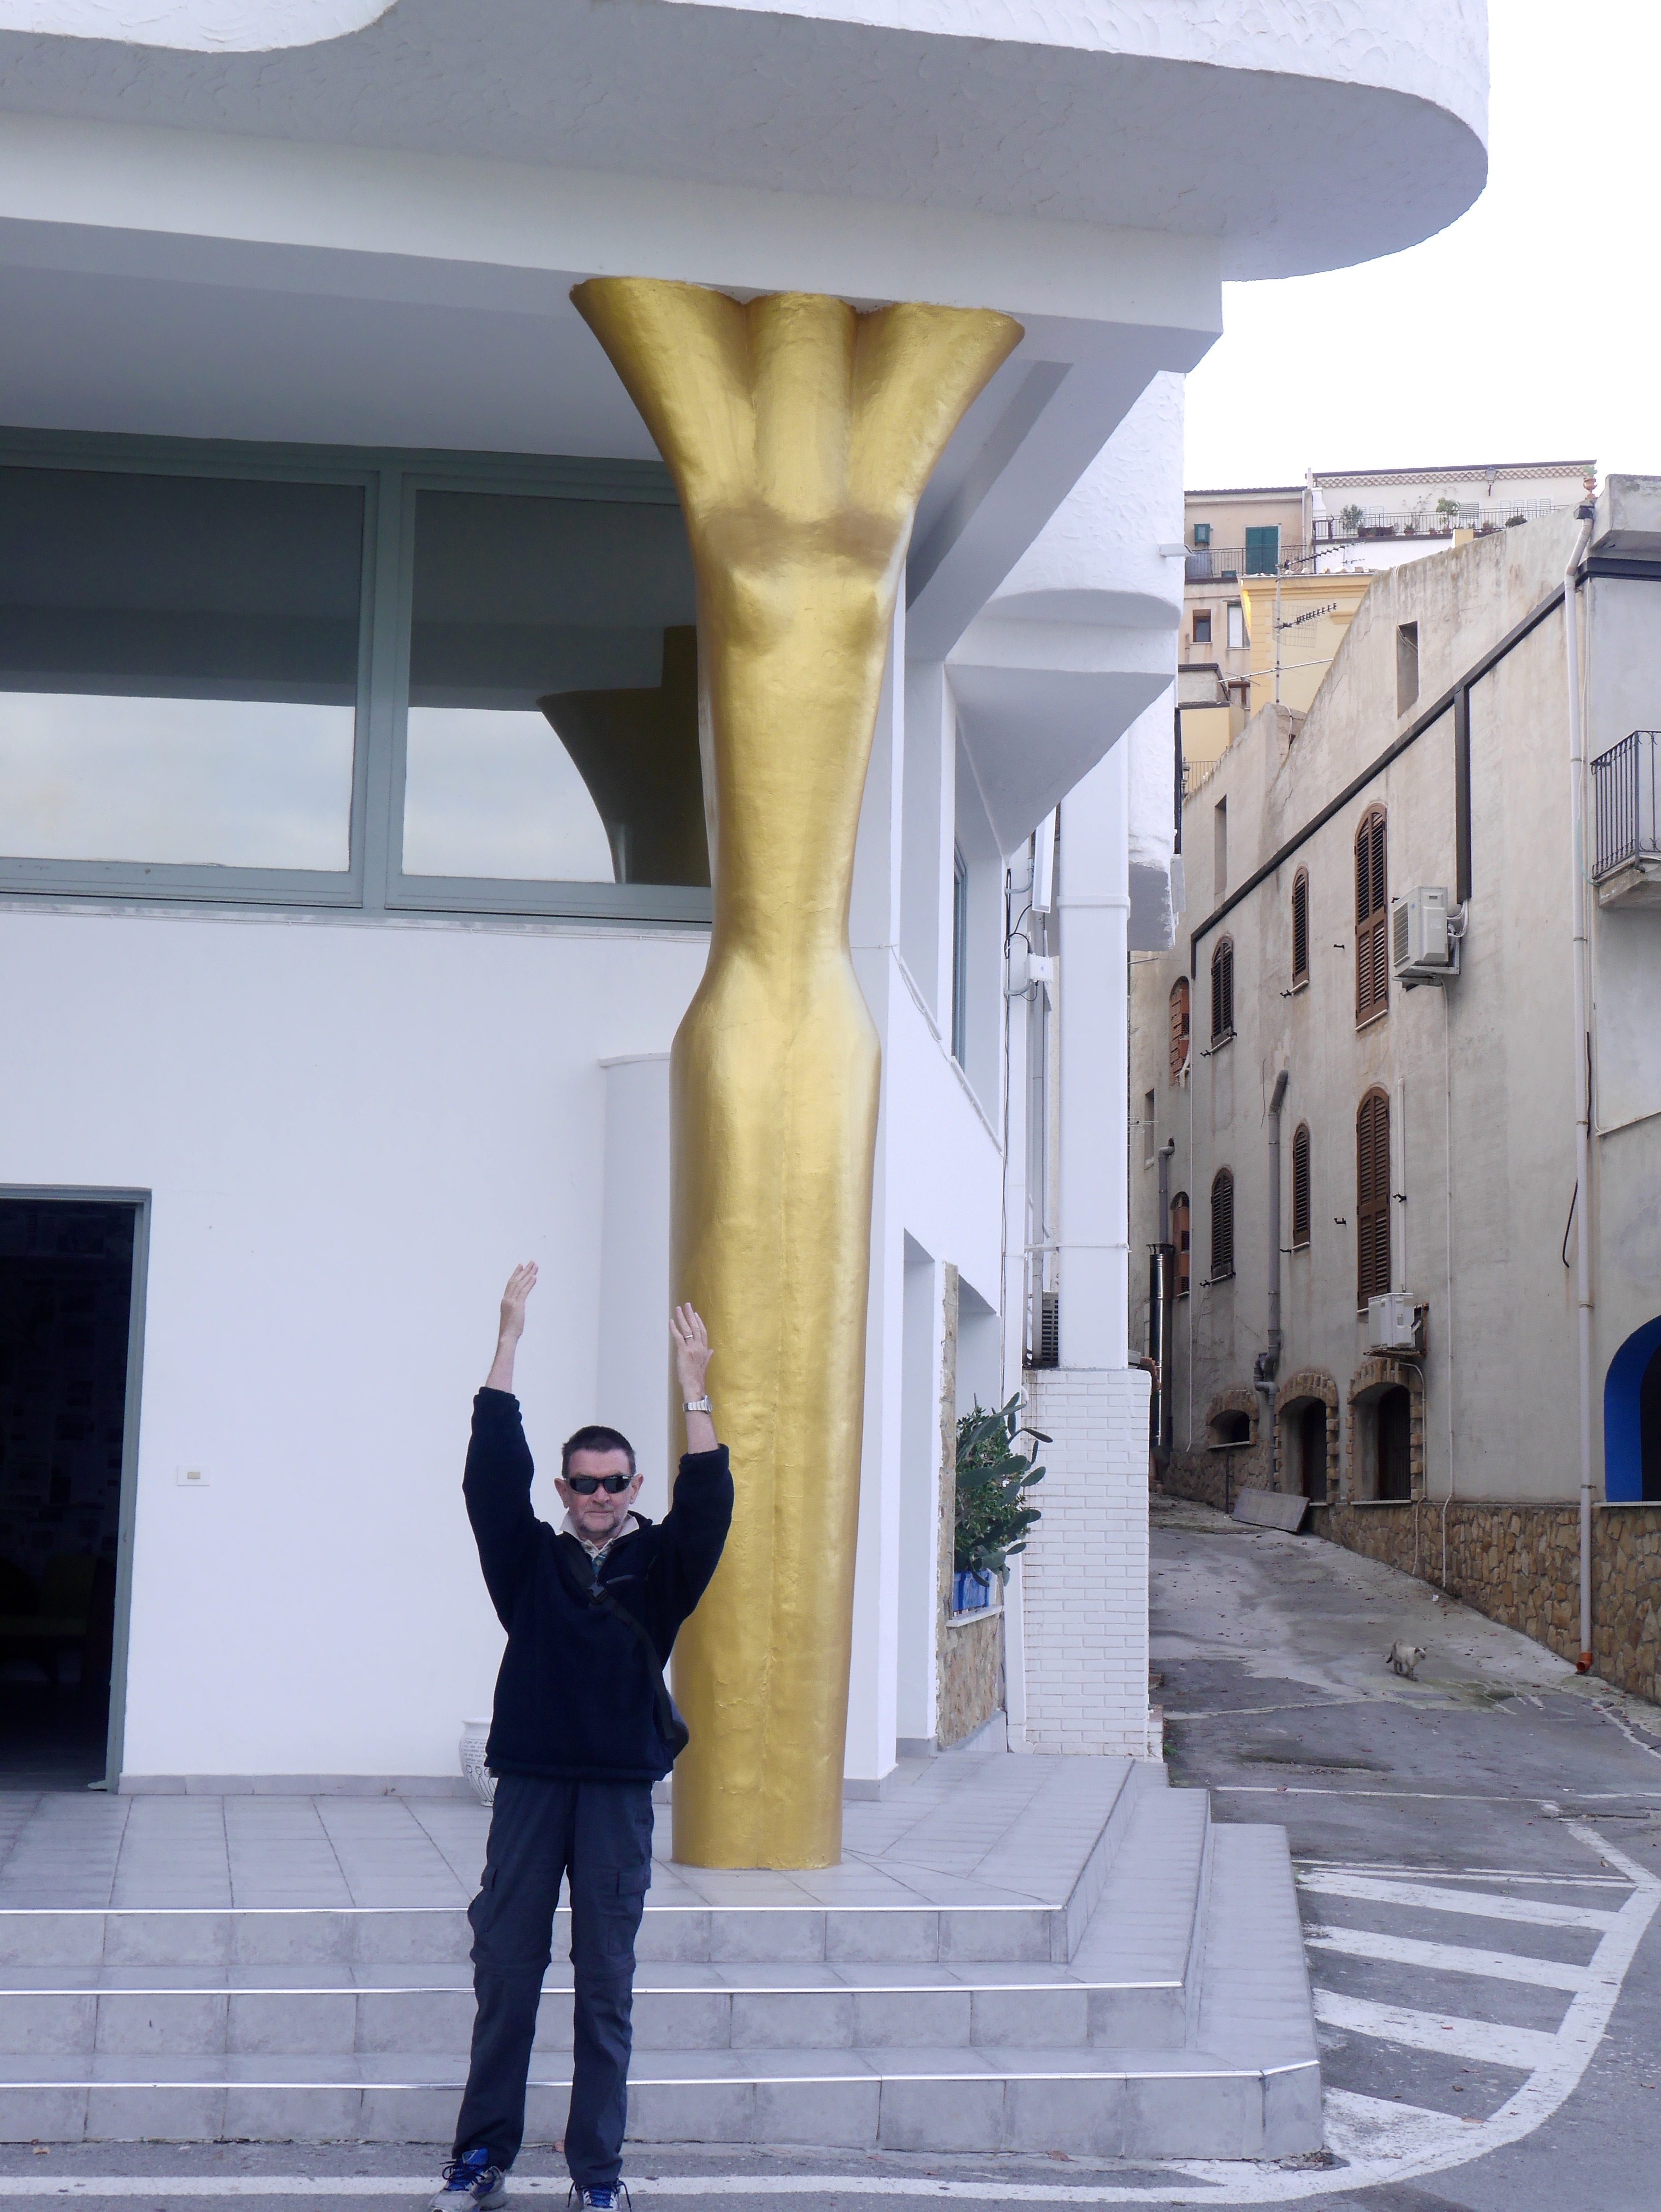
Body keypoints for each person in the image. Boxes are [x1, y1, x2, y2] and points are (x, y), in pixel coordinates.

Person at [431, 1264, 732, 2212]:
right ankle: (481, 2158)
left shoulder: (661, 1565)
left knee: (605, 1986)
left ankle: (596, 2175)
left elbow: (711, 1504)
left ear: (633, 1485)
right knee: (506, 1975)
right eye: (584, 1482)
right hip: (529, 1784)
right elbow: (490, 1477)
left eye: (614, 1482)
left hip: (615, 1792)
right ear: (564, 1486)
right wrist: (507, 1342)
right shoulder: (527, 1561)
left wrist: (695, 1392)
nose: (598, 1494)